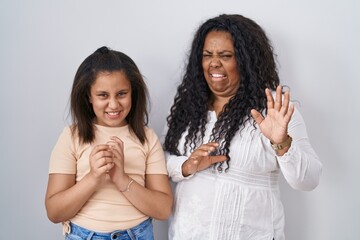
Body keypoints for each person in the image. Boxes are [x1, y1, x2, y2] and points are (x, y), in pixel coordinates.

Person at [163, 14, 322, 240]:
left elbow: (309, 180)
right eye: (207, 55)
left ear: (246, 60)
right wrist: (186, 166)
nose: (214, 63)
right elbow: (158, 159)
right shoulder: (188, 106)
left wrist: (281, 142)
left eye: (226, 55)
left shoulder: (274, 110)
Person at [45, 46, 173, 240]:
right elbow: (54, 212)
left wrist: (121, 178)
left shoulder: (147, 138)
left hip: (138, 235)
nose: (113, 105)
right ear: (88, 96)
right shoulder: (72, 136)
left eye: (122, 94)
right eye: (103, 95)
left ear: (133, 92)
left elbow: (163, 210)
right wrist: (93, 178)